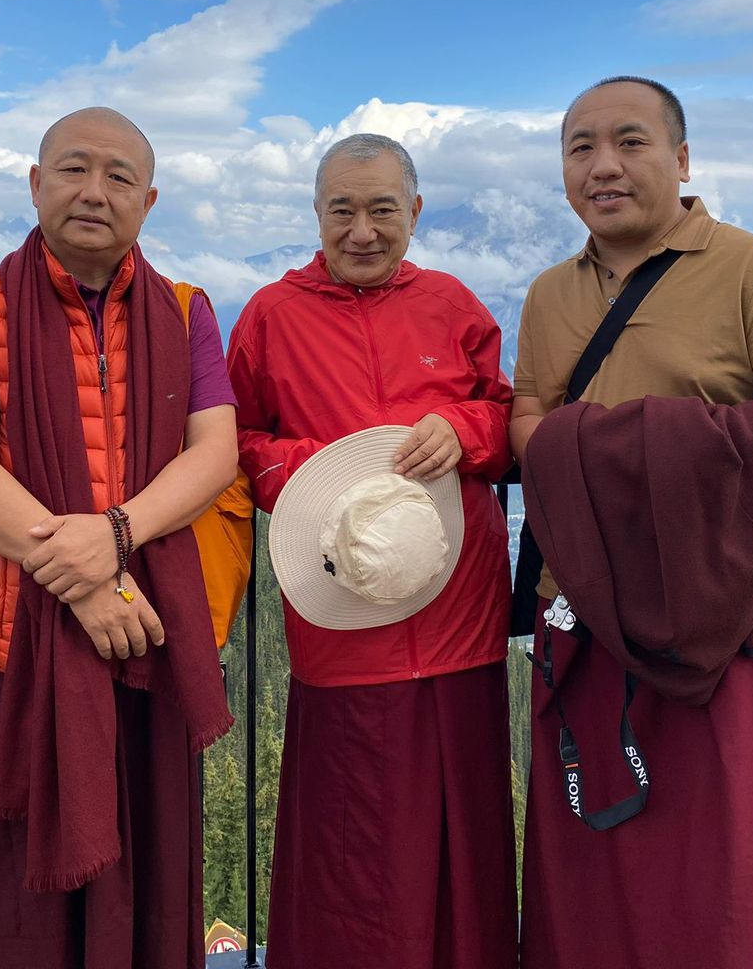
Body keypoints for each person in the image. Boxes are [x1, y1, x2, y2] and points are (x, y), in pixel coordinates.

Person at [511, 75, 753, 969]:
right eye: (580, 148)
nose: (603, 166)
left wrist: (635, 440)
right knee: (592, 855)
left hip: (727, 600)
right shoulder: (549, 295)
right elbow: (529, 424)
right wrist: (623, 448)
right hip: (586, 597)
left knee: (727, 856)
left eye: (630, 142)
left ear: (683, 158)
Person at [0, 106, 237, 969]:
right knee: (22, 906)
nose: (94, 191)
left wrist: (117, 534)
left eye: (119, 176)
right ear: (35, 184)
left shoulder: (186, 312)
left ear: (148, 200)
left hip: (147, 642)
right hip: (16, 649)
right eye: (72, 169)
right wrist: (90, 580)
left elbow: (215, 454)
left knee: (152, 884)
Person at [226, 133, 517, 969]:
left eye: (383, 209)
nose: (363, 231)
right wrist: (307, 472)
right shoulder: (271, 316)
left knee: (467, 826)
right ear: (317, 215)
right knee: (352, 833)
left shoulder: (453, 305)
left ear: (414, 212)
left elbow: (506, 419)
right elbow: (234, 441)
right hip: (343, 613)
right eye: (342, 211)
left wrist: (461, 428)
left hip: (459, 607)